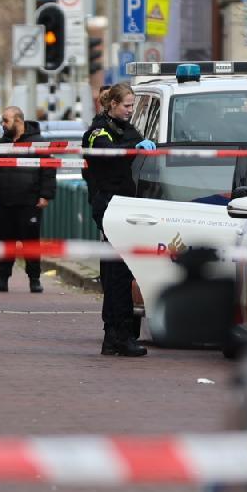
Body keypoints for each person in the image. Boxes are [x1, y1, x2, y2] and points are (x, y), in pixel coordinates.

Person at [84, 83, 153, 357]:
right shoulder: (97, 132)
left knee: (120, 272)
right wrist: (134, 146)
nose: (130, 110)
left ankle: (116, 336)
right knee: (116, 273)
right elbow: (107, 153)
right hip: (108, 205)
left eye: (132, 105)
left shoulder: (127, 129)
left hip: (125, 205)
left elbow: (134, 144)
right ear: (112, 104)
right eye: (126, 105)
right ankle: (118, 335)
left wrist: (137, 144)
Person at [0, 107, 54, 294]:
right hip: (4, 202)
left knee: (30, 242)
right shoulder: (1, 143)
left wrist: (45, 195)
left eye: (6, 121)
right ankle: (2, 279)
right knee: (4, 242)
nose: (2, 125)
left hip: (29, 201)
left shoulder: (39, 143)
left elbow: (48, 169)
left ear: (18, 121)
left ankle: (34, 280)